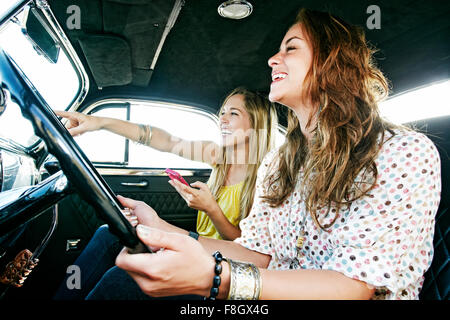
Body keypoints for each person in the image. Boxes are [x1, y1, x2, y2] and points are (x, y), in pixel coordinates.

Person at [98, 8, 441, 300]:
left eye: (291, 48)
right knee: (111, 247)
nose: (272, 59)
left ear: (332, 62)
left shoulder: (402, 153)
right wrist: (163, 229)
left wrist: (216, 279)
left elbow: (352, 287)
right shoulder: (279, 164)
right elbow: (256, 255)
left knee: (122, 283)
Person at [53, 87, 278, 299]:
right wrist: (100, 122)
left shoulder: (265, 177)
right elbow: (164, 140)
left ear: (255, 123)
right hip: (195, 250)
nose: (223, 119)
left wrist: (212, 209)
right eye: (222, 113)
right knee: (108, 233)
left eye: (234, 113)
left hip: (222, 268)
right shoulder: (218, 156)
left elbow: (247, 250)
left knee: (121, 279)